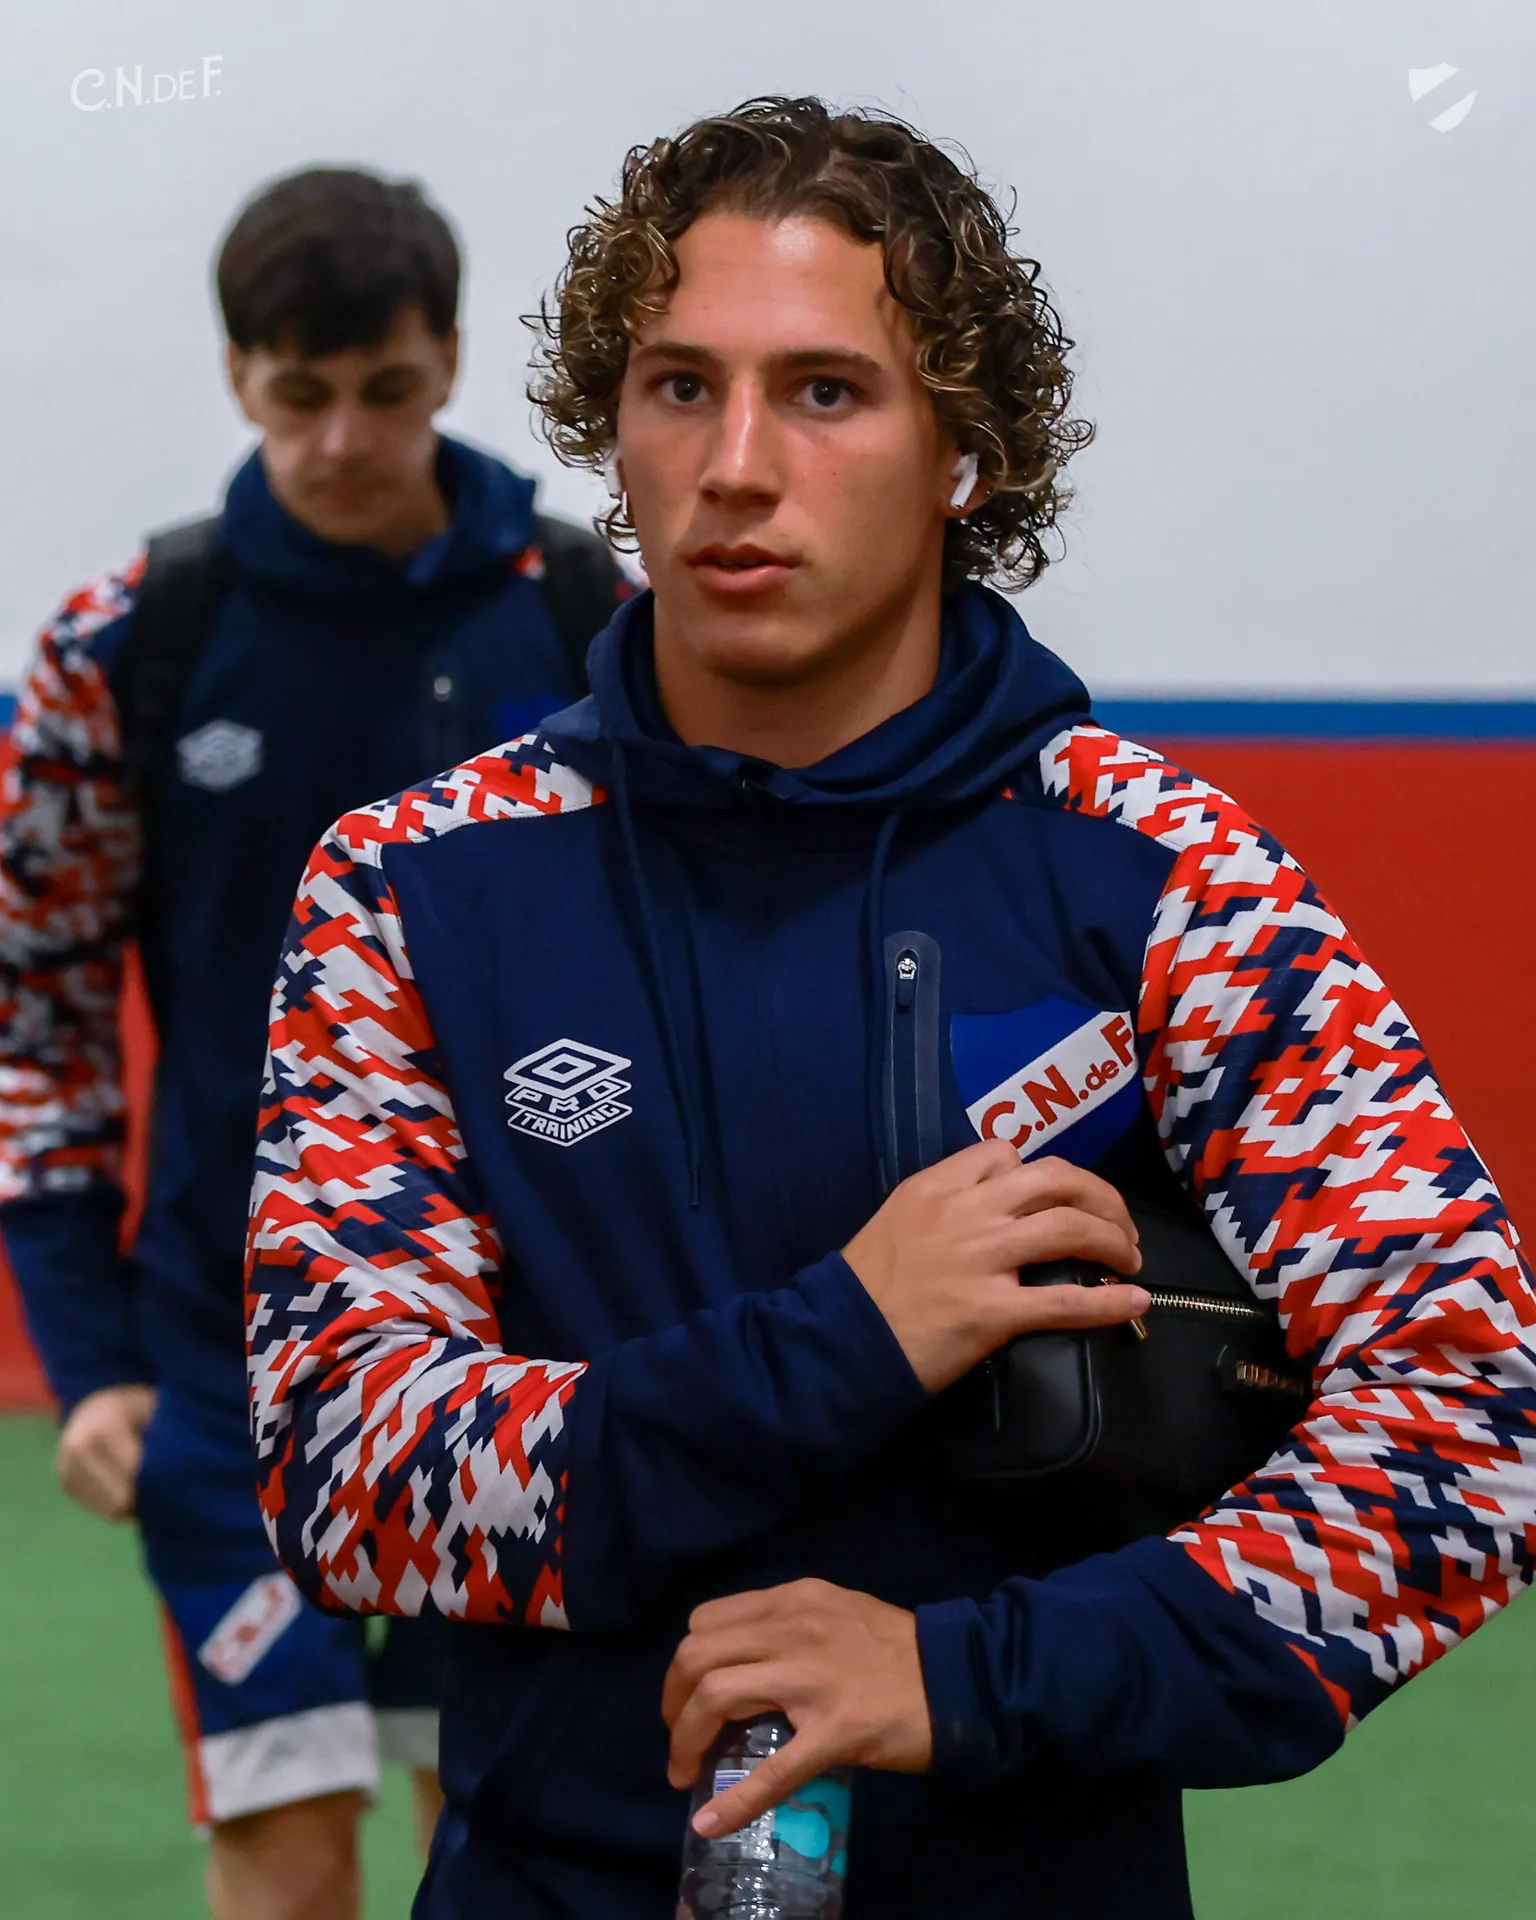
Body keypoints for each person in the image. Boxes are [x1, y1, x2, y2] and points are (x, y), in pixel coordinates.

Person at [244, 99, 1536, 1920]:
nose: (736, 465)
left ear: (963, 454)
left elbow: (1469, 1423)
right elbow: (348, 1470)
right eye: (680, 388)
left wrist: (973, 1678)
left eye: (826, 393)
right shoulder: (415, 885)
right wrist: (849, 1336)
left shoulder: (1164, 877)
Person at [0, 166, 626, 1919]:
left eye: (388, 388)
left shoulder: (595, 622)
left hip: (529, 1343)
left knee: (505, 1832)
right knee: (283, 1854)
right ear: (237, 376)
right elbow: (37, 1020)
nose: (344, 438)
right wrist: (89, 1358)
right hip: (230, 1361)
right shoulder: (127, 646)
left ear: (449, 362)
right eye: (299, 393)